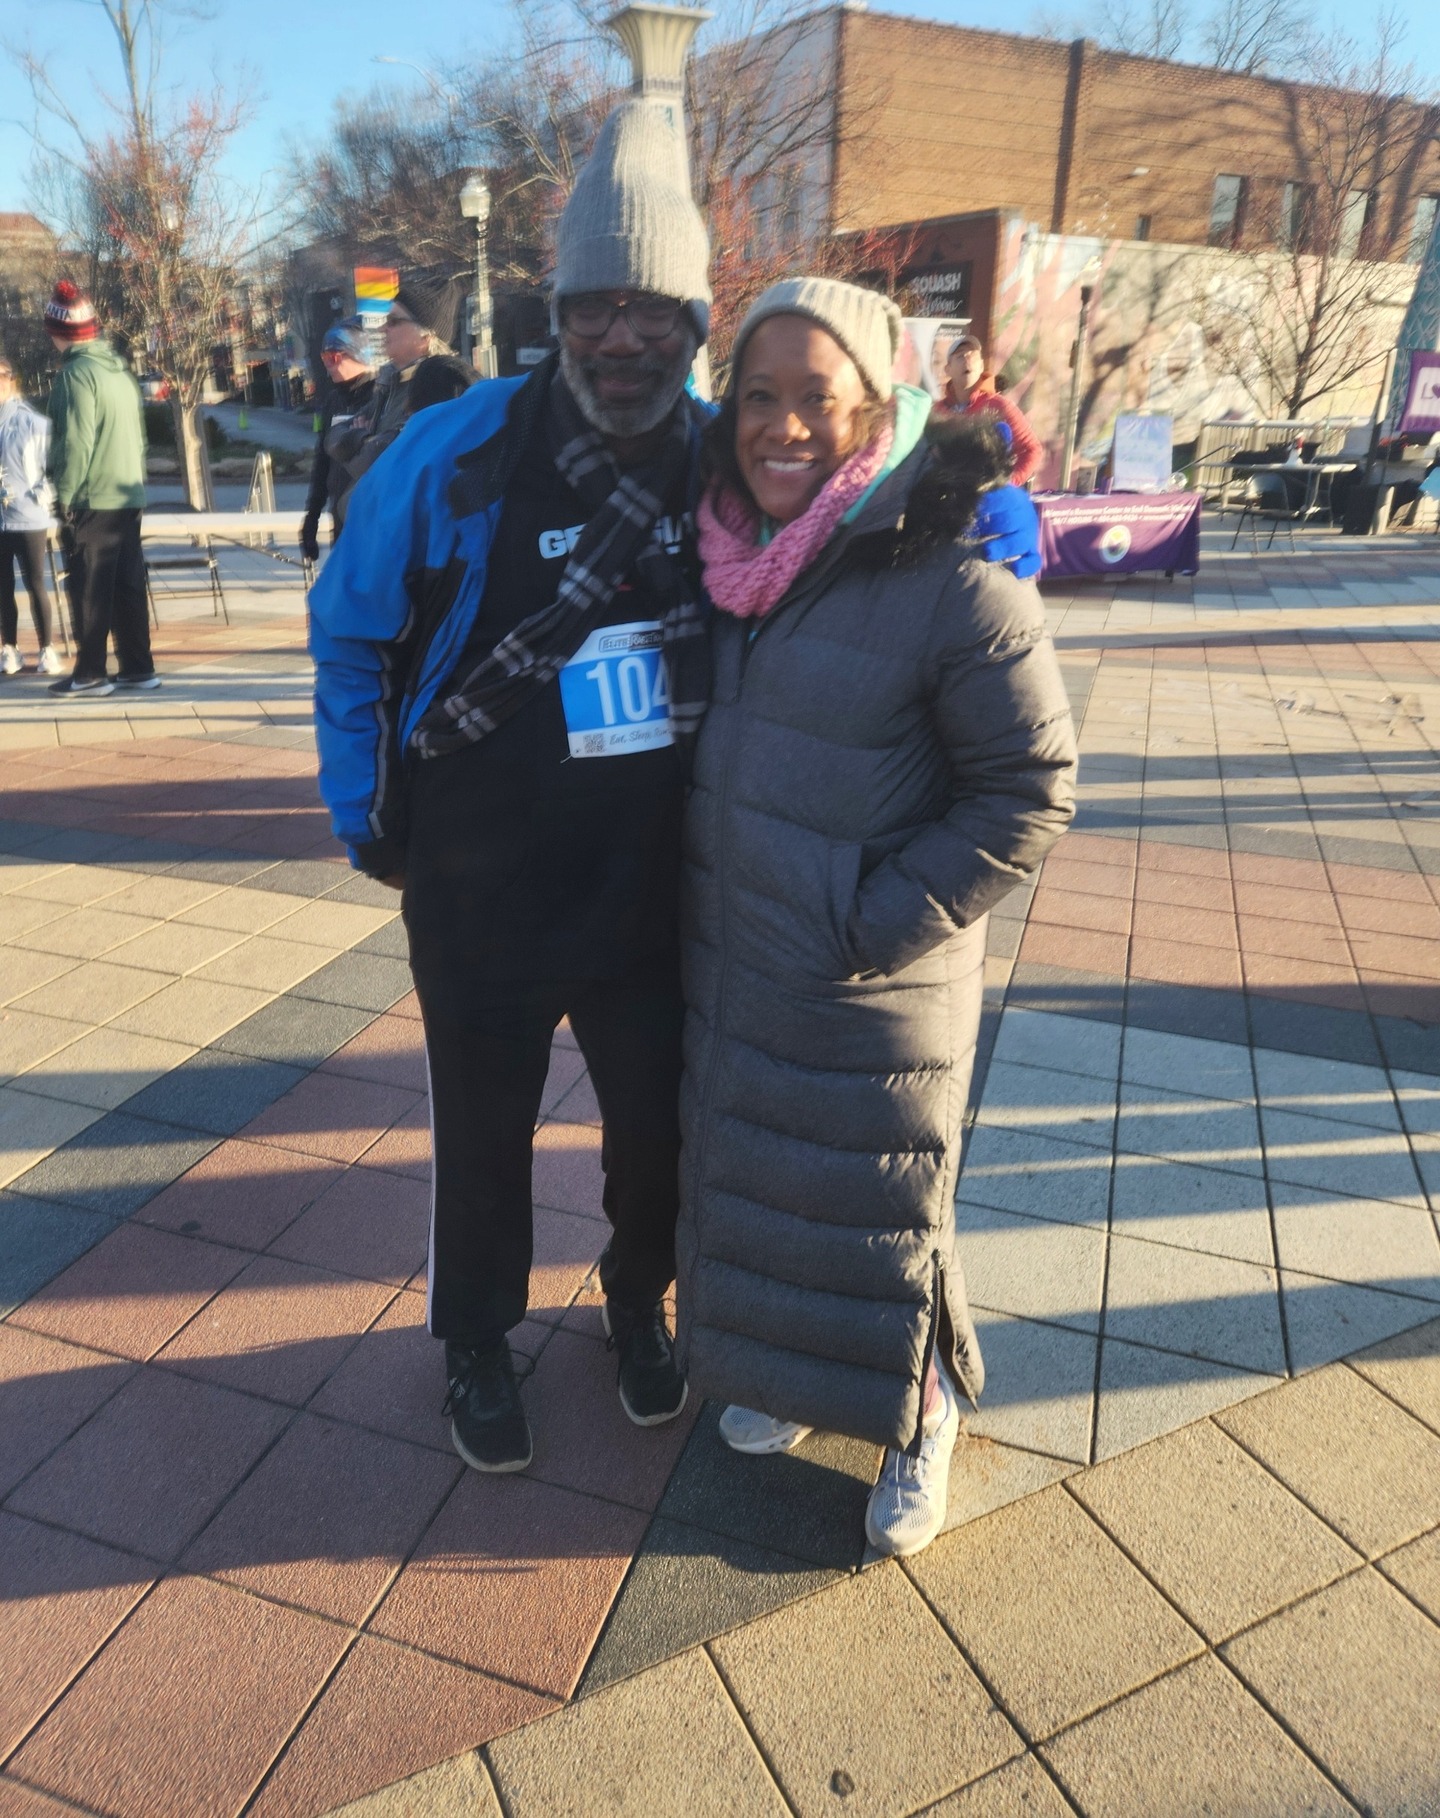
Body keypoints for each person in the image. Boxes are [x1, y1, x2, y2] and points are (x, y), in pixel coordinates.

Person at [309, 100, 715, 1474]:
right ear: (561, 309)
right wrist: (359, 807)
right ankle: (476, 1335)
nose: (621, 337)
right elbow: (351, 623)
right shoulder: (459, 447)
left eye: (650, 307)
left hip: (655, 878)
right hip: (480, 873)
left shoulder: (727, 462)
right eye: (595, 304)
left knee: (660, 1128)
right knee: (480, 1129)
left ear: (694, 320)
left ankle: (639, 1297)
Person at [676, 278, 1076, 1560]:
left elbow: (1028, 788)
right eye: (760, 396)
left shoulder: (955, 583)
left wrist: (872, 920)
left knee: (886, 1202)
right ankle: (799, 1382)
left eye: (818, 398)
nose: (783, 426)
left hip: (869, 975)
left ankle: (920, 1411)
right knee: (772, 1188)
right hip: (745, 956)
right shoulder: (728, 564)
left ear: (877, 412)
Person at [43, 281, 154, 698]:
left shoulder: (75, 376)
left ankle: (90, 673)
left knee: (89, 588)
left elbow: (75, 443)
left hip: (93, 498)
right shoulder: (119, 372)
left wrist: (65, 496)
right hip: (128, 495)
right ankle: (137, 667)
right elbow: (139, 438)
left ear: (58, 331)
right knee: (127, 585)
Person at [325, 276, 473, 526]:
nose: (383, 328)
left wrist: (359, 440)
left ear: (426, 337)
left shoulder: (440, 388)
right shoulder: (388, 384)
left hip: (408, 541)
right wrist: (362, 439)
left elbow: (387, 459)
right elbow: (334, 437)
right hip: (372, 532)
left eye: (394, 322)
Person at [0, 357, 61, 677]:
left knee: (35, 582)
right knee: (2, 586)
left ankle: (47, 647)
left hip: (28, 517)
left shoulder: (31, 422)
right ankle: (9, 647)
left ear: (11, 380)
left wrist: (45, 496)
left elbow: (51, 464)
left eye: (1, 377)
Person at [300, 318, 375, 563]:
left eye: (335, 357)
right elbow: (322, 460)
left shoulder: (380, 396)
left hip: (370, 514)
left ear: (359, 355)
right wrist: (311, 519)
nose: (329, 365)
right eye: (325, 358)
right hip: (339, 513)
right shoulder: (333, 401)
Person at [935, 332, 1043, 486]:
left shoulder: (999, 406)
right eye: (960, 356)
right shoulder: (937, 411)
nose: (967, 359)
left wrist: (1007, 485)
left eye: (972, 356)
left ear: (981, 366)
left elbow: (1031, 449)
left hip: (988, 503)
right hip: (949, 502)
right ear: (948, 369)